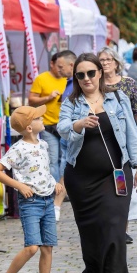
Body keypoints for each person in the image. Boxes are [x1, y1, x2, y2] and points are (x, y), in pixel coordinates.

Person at [57, 53, 137, 273]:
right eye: (81, 75)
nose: (86, 78)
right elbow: (62, 128)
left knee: (114, 227)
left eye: (91, 73)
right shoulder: (72, 102)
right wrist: (79, 124)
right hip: (81, 179)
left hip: (115, 175)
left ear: (100, 73)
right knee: (91, 232)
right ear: (76, 77)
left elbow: (131, 133)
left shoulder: (118, 98)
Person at [0, 105, 64, 273]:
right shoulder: (18, 149)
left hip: (48, 199)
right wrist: (19, 186)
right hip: (30, 203)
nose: (43, 120)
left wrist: (53, 182)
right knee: (32, 247)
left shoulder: (43, 145)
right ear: (29, 127)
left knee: (47, 247)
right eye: (39, 118)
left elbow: (43, 169)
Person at [98, 47, 137, 244]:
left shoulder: (127, 84)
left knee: (122, 185)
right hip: (103, 141)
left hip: (124, 143)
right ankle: (106, 226)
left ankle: (122, 229)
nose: (105, 62)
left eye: (108, 59)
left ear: (116, 63)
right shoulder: (96, 85)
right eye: (101, 60)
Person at [29, 53, 65, 183]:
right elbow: (31, 100)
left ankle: (63, 189)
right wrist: (48, 98)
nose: (62, 70)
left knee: (65, 158)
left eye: (64, 67)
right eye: (59, 67)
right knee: (53, 158)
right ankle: (55, 188)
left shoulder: (68, 79)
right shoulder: (41, 79)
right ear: (52, 64)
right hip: (48, 126)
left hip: (64, 125)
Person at [51, 50, 77, 220]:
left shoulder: (79, 83)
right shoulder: (68, 83)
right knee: (66, 169)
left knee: (66, 170)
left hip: (75, 135)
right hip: (66, 134)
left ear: (71, 65)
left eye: (61, 66)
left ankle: (56, 206)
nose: (58, 70)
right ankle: (56, 205)